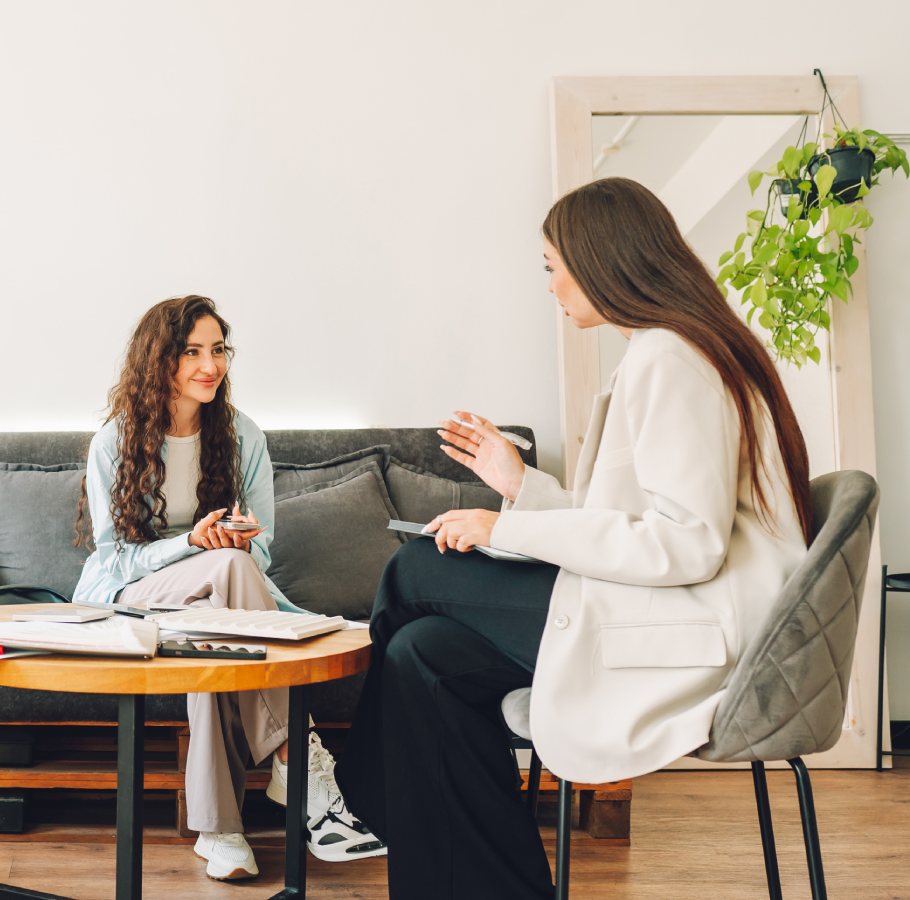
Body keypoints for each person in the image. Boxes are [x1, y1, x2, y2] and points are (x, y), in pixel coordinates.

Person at [335, 177, 814, 899]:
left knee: (413, 572)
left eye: (553, 265)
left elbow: (687, 544)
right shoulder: (668, 351)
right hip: (658, 608)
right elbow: (620, 519)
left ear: (602, 260)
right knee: (419, 655)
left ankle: (357, 791)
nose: (551, 284)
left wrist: (506, 526)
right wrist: (519, 484)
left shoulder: (671, 358)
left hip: (695, 634)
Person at [74, 295, 387, 881]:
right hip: (133, 599)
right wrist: (194, 543)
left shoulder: (243, 436)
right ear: (158, 360)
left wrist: (235, 543)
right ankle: (302, 761)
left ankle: (220, 829)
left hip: (219, 601)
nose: (209, 365)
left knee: (220, 623)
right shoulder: (114, 442)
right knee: (227, 578)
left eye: (217, 350)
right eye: (191, 351)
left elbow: (260, 553)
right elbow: (114, 560)